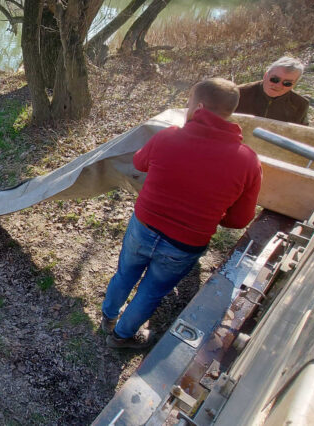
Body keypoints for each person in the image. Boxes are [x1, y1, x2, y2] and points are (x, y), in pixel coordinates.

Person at [100, 78, 262, 349]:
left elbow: (140, 162)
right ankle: (121, 336)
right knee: (152, 291)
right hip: (186, 242)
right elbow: (240, 219)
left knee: (125, 273)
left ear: (198, 106)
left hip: (144, 225)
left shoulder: (168, 136)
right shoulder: (247, 160)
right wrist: (210, 216)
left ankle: (108, 316)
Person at [235, 56, 309, 125]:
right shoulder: (237, 93)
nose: (278, 86)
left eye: (287, 83)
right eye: (274, 79)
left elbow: (302, 134)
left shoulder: (300, 104)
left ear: (294, 84)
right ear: (265, 75)